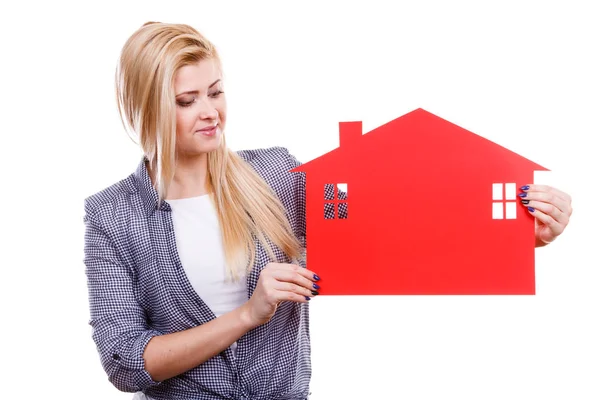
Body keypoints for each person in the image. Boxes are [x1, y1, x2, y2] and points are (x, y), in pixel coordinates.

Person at [83, 21, 574, 400]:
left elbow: (391, 227)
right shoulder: (112, 216)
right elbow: (126, 362)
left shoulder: (274, 176)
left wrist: (517, 235)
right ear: (146, 111)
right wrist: (249, 314)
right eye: (187, 101)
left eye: (216, 92)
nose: (211, 112)